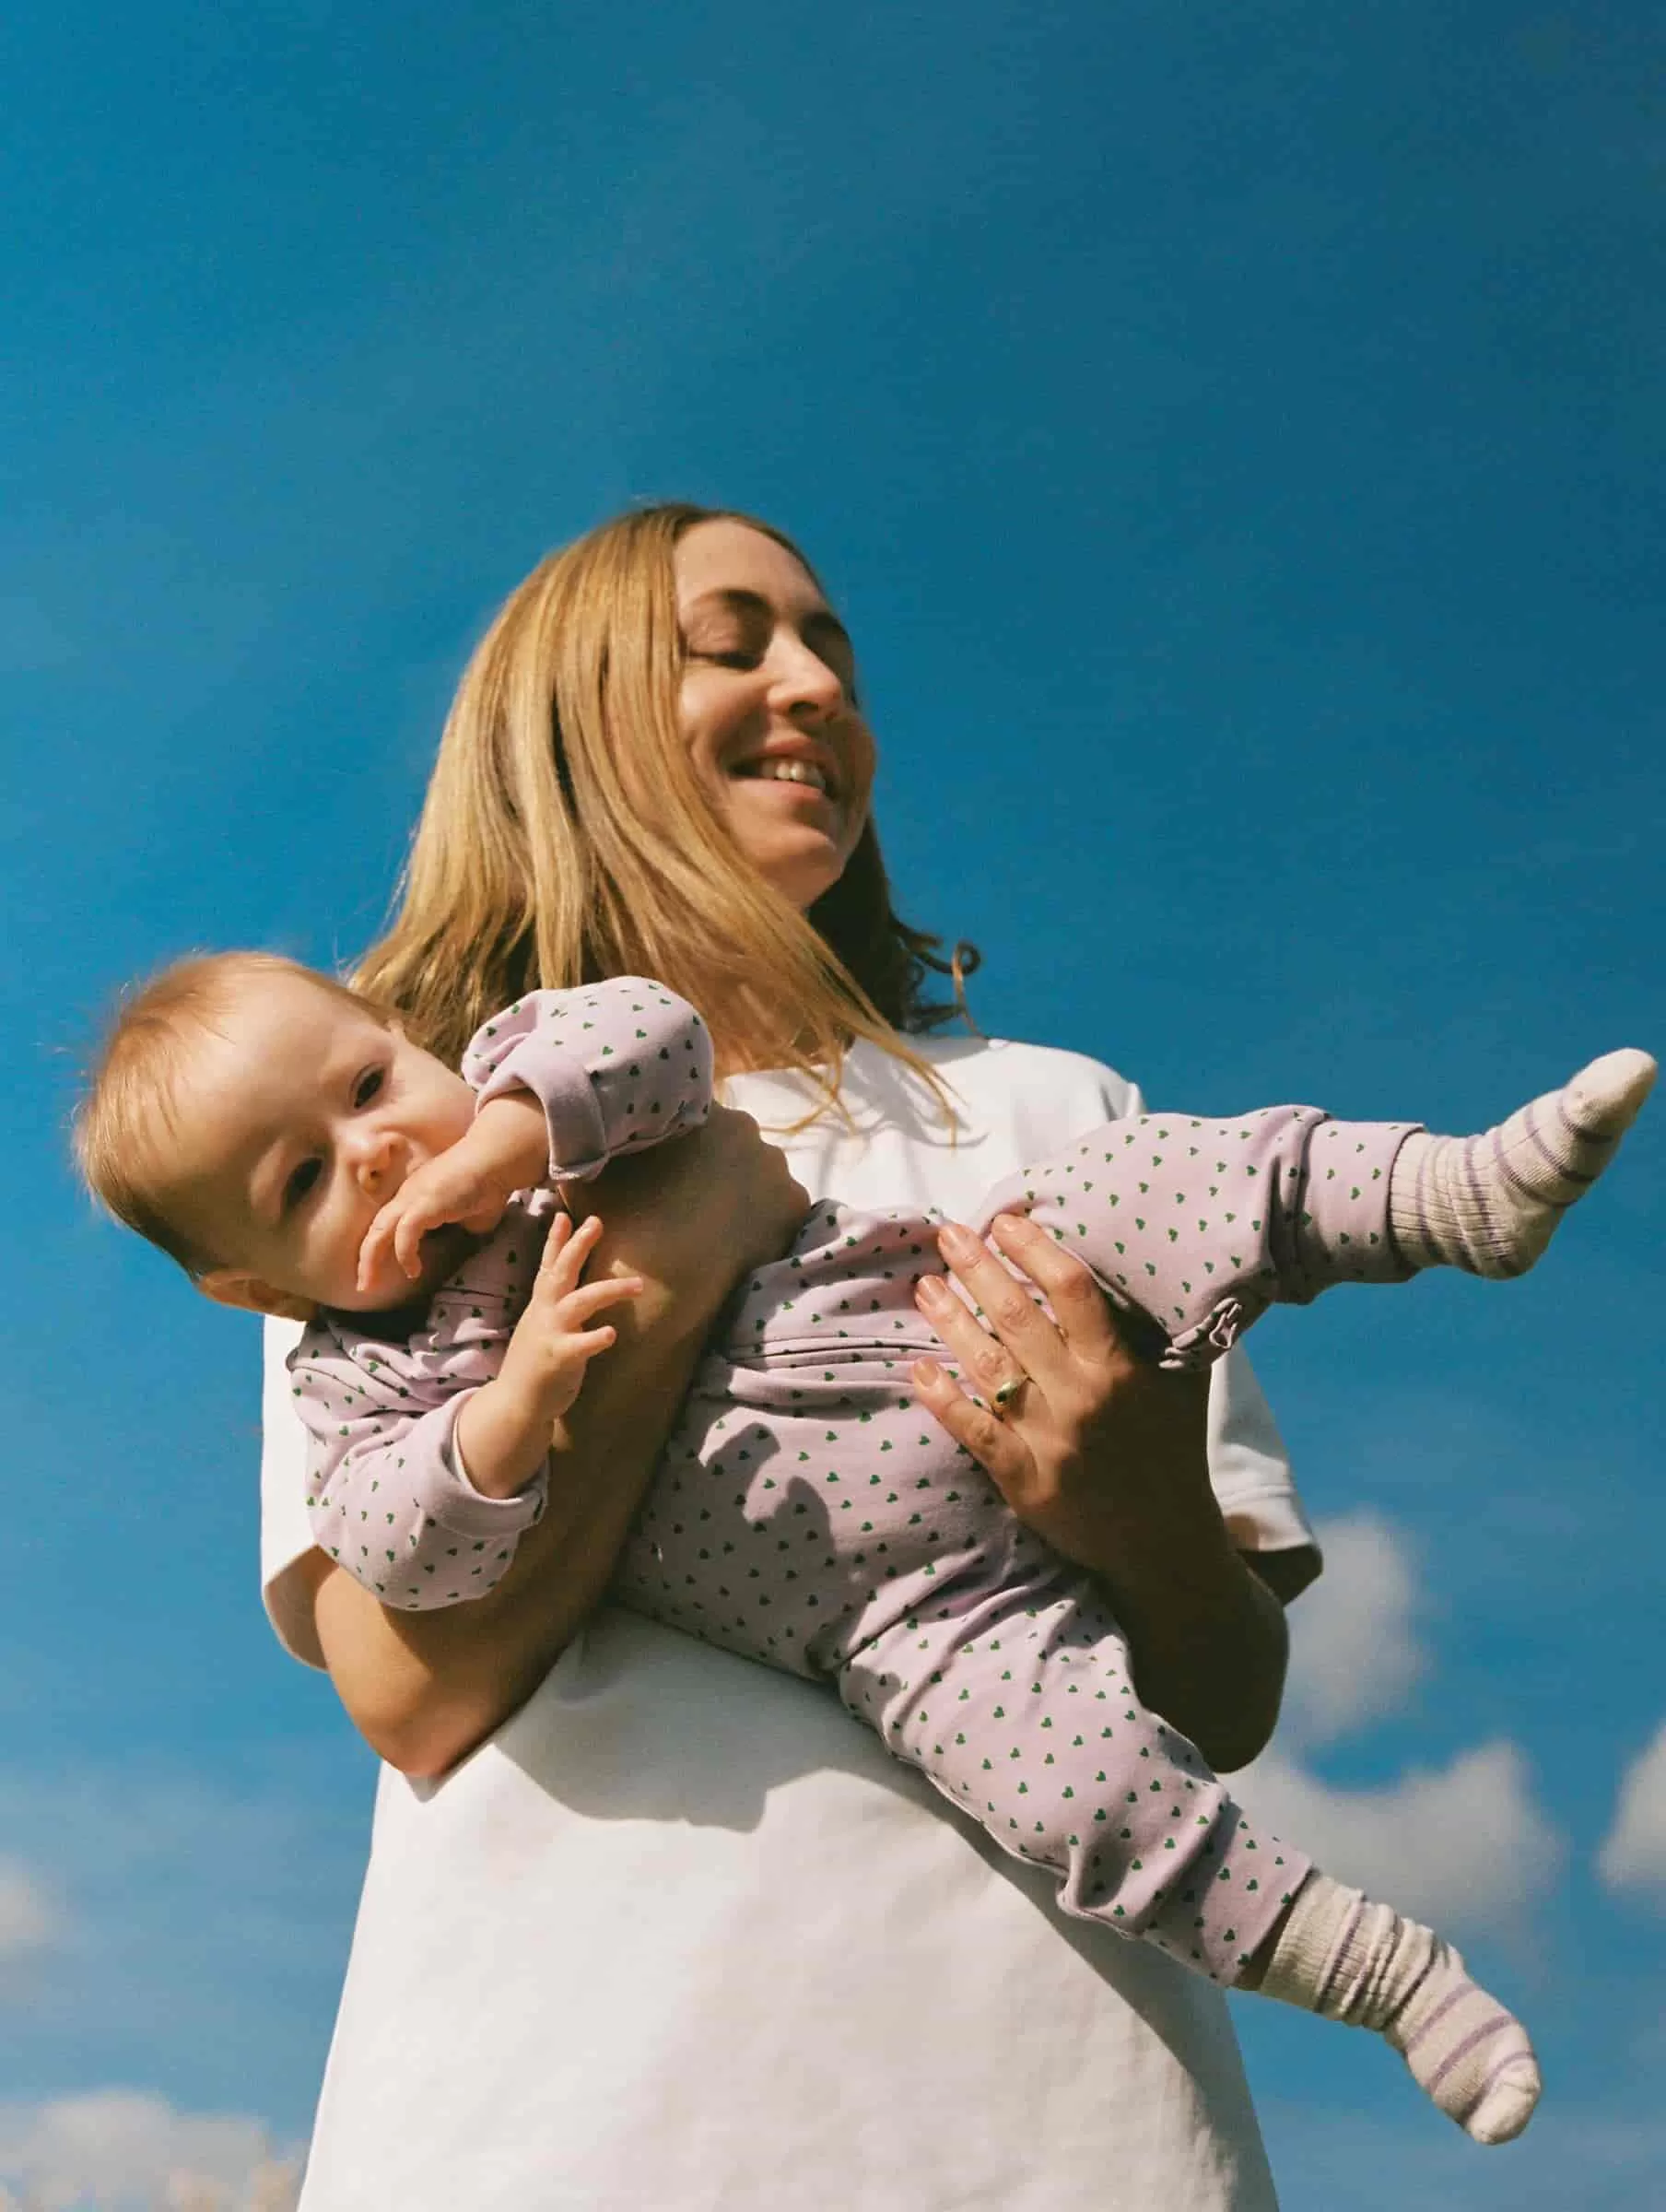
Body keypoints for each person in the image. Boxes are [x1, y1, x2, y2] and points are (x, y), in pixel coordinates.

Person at [224, 504, 1504, 2205]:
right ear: (568, 726)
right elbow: (412, 1689)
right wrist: (682, 1250)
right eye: (731, 644)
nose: (817, 686)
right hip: (554, 2118)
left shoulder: (1054, 1108)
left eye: (831, 649)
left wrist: (1139, 1515)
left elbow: (1228, 1696)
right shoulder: (394, 1177)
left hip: (1059, 2123)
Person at [78, 937, 1654, 2144]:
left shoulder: (538, 1090)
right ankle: (1392, 1980)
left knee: (1153, 1181)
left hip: (946, 1296)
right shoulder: (358, 1374)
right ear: (256, 1286)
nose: (370, 1150)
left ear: (411, 1038)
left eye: (368, 1087)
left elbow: (651, 1038)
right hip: (891, 1611)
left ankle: (1456, 1195)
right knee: (1089, 1798)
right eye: (303, 1178)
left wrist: (508, 1135)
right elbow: (396, 1558)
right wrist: (515, 1408)